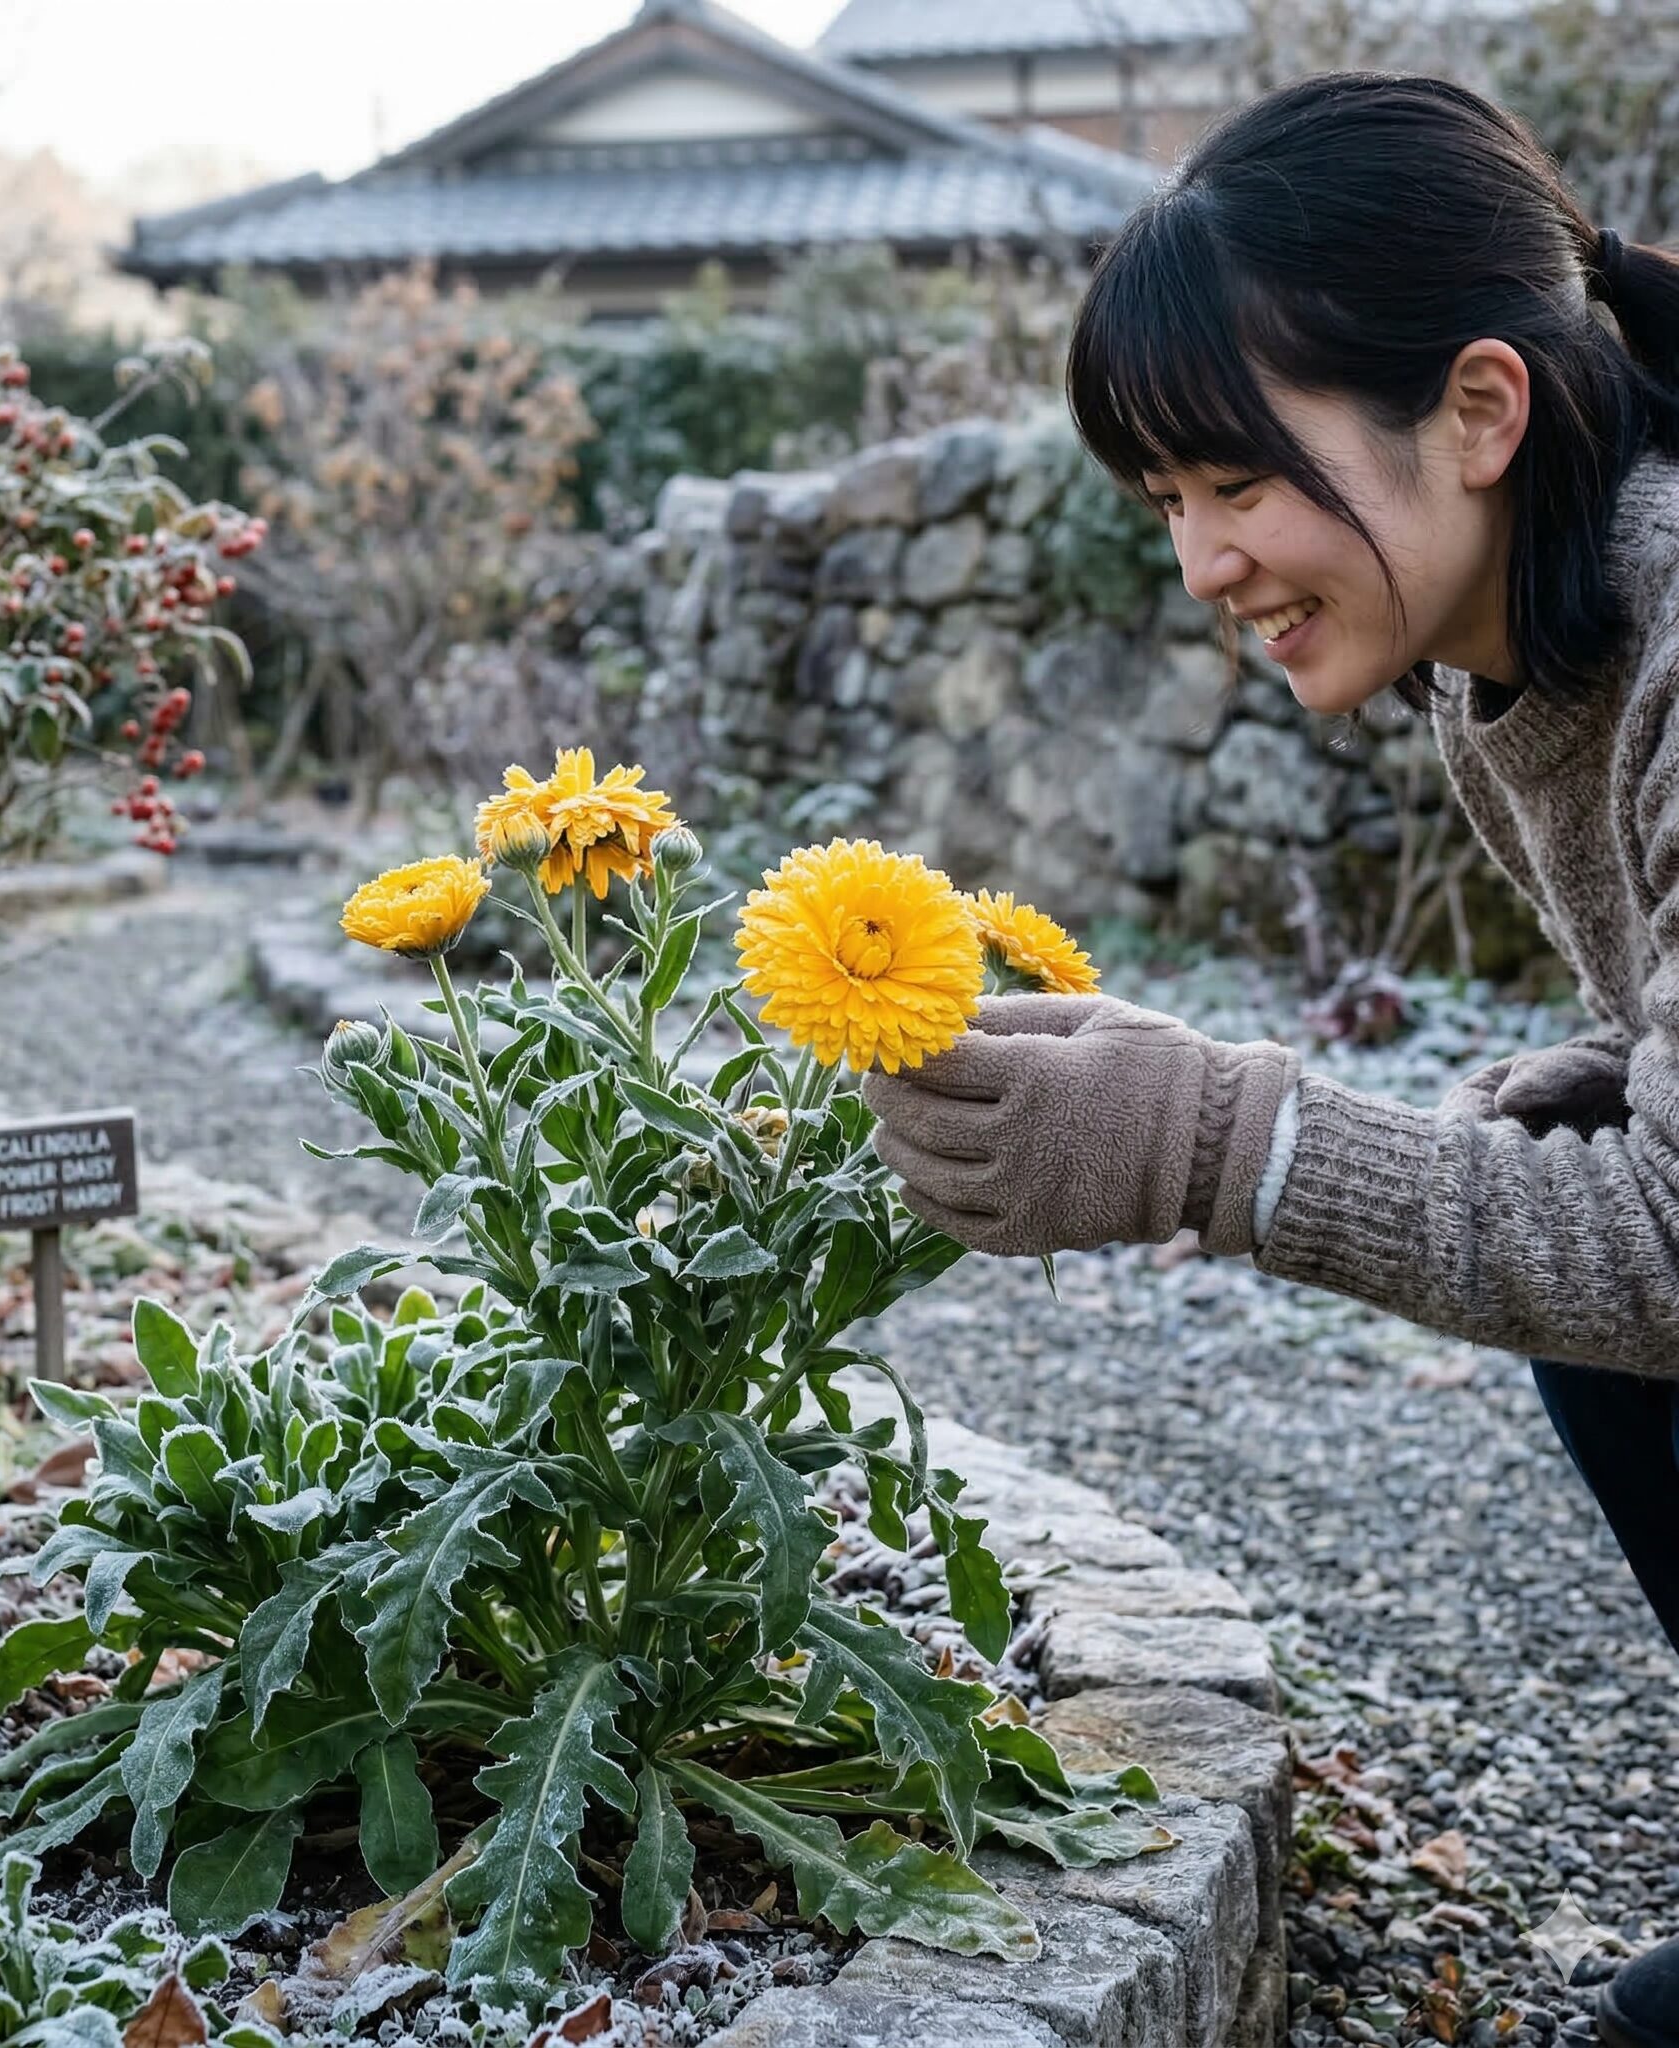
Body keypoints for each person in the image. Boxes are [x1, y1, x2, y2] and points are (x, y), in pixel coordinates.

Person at [861, 71, 1679, 2048]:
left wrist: (1206, 1135)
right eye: (1164, 503)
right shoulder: (1531, 643)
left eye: (1235, 480)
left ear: (1478, 410)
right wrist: (1613, 1060)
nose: (1201, 564)